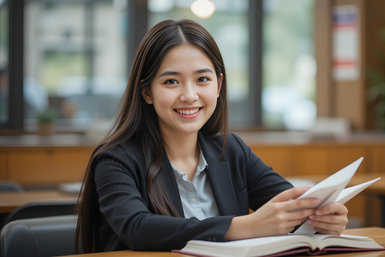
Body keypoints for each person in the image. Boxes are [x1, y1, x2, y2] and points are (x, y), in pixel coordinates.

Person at [75, 19, 348, 253]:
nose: (189, 95)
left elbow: (289, 205)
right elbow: (137, 228)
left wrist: (321, 215)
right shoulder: (115, 160)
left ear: (218, 84)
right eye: (171, 81)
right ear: (147, 92)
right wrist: (244, 226)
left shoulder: (231, 150)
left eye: (202, 79)